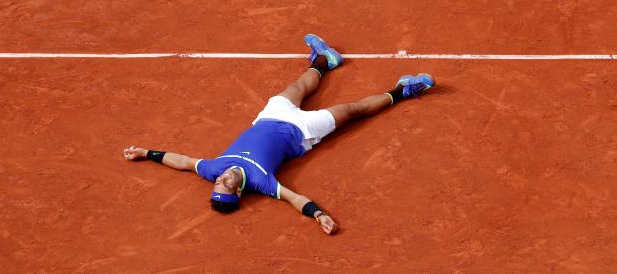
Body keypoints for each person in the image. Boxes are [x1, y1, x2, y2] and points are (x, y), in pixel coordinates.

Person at [123, 34, 434, 235]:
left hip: (269, 118)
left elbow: (184, 161)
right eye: (227, 186)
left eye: (219, 184)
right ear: (239, 192)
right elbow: (294, 198)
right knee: (351, 110)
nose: (223, 180)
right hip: (302, 132)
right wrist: (319, 215)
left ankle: (324, 60)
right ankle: (404, 90)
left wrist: (147, 153)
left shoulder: (214, 169)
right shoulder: (261, 182)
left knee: (297, 88)